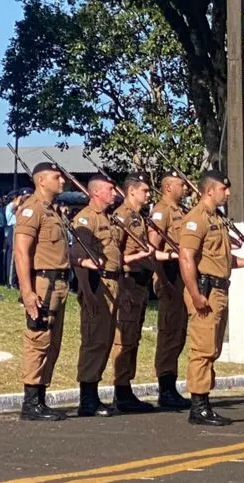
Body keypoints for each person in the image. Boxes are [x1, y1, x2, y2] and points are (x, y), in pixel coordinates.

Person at [179, 170, 244, 426]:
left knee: (213, 349)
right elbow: (186, 257)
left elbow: (223, 260)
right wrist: (195, 294)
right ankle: (199, 406)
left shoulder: (217, 219)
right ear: (209, 191)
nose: (227, 194)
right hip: (205, 291)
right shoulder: (196, 219)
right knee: (203, 349)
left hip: (219, 289)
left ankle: (204, 402)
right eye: (223, 190)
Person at [70, 174, 152, 417]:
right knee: (94, 341)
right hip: (97, 285)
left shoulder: (109, 219)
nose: (115, 193)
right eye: (110, 189)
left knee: (105, 341)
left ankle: (95, 395)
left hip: (113, 283)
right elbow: (79, 260)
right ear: (96, 193)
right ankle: (87, 398)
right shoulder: (86, 219)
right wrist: (88, 293)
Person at [110, 174, 175, 413]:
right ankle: (120, 390)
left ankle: (126, 388)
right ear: (131, 192)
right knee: (125, 339)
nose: (149, 195)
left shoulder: (139, 217)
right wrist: (140, 256)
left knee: (133, 338)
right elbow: (114, 255)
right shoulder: (122, 216)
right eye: (145, 191)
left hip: (140, 284)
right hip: (127, 282)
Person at [14, 162, 70, 421]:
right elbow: (21, 251)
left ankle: (41, 397)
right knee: (38, 341)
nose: (62, 181)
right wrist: (27, 291)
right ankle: (31, 402)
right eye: (57, 177)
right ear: (41, 181)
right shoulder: (32, 209)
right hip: (42, 283)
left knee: (52, 343)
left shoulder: (52, 212)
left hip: (59, 283)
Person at [148, 171, 192, 409]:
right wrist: (162, 280)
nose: (185, 187)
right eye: (180, 184)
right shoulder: (161, 211)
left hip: (181, 279)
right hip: (169, 276)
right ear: (167, 187)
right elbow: (152, 248)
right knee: (169, 334)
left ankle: (171, 385)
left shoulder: (182, 212)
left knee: (178, 334)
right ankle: (165, 388)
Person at [5, 188, 32, 289]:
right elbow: (14, 208)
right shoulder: (12, 206)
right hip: (14, 229)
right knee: (13, 256)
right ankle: (11, 282)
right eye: (26, 197)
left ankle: (19, 282)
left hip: (25, 230)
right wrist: (20, 199)